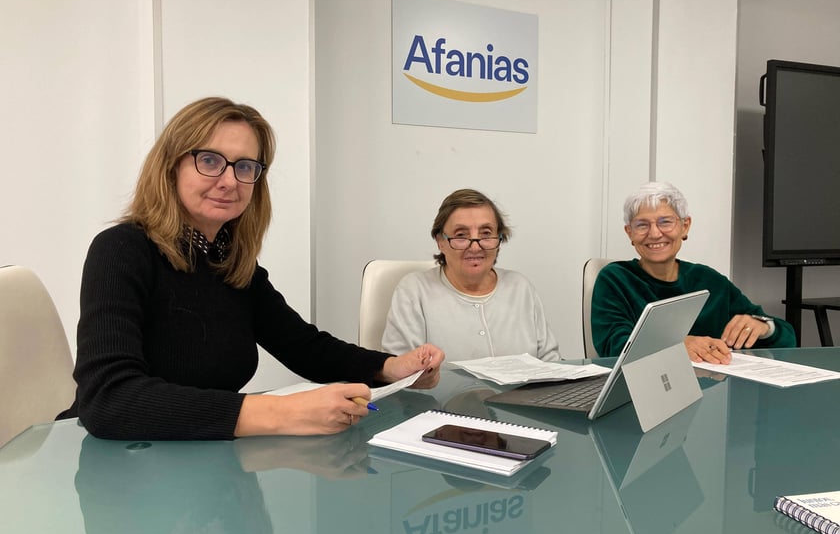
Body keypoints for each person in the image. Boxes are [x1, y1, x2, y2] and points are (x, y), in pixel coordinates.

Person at [58, 97, 443, 440]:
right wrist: (284, 412)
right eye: (209, 160)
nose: (229, 181)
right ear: (171, 167)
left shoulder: (232, 264)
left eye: (245, 167)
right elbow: (109, 399)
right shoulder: (121, 250)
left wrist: (392, 367)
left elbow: (305, 347)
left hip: (208, 464)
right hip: (123, 467)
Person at [591, 181, 796, 362]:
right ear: (630, 233)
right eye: (642, 225)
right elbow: (613, 347)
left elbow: (787, 338)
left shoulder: (710, 281)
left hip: (713, 392)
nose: (654, 233)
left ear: (685, 226)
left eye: (666, 222)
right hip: (639, 395)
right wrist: (676, 347)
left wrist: (763, 327)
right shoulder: (615, 279)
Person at [382, 188, 561, 362]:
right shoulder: (414, 291)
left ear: (499, 239)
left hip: (527, 394)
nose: (475, 247)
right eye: (461, 235)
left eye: (486, 233)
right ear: (440, 242)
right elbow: (400, 372)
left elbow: (550, 363)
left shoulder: (520, 287)